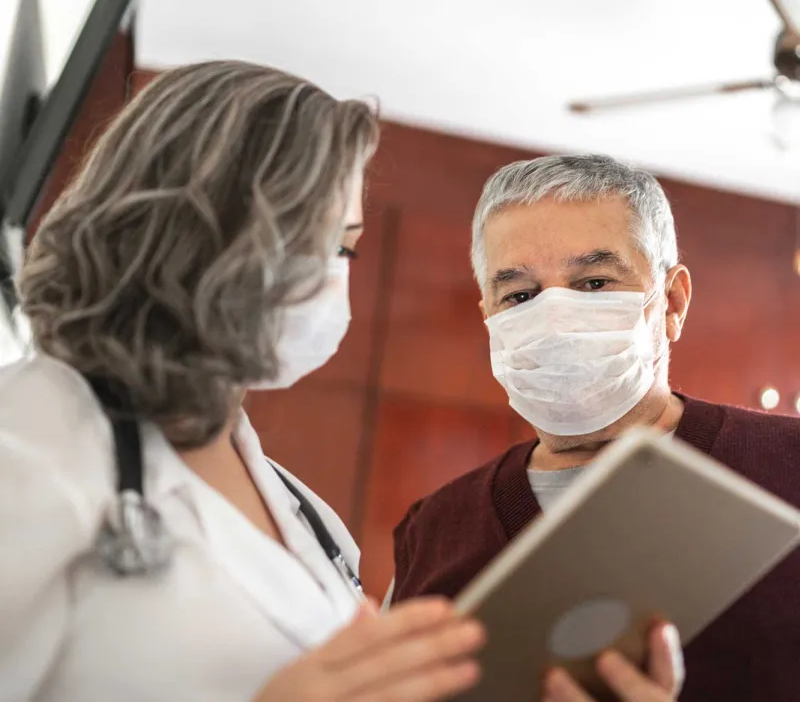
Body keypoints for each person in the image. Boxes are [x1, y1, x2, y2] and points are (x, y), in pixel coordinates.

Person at [0, 61, 486, 702]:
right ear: (185, 226)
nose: (330, 279)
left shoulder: (307, 516)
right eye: (304, 240)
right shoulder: (26, 441)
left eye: (345, 249)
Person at [389, 154, 800, 701]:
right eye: (520, 296)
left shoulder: (786, 466)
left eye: (593, 282)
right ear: (488, 313)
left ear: (671, 303)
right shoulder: (434, 531)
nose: (555, 318)